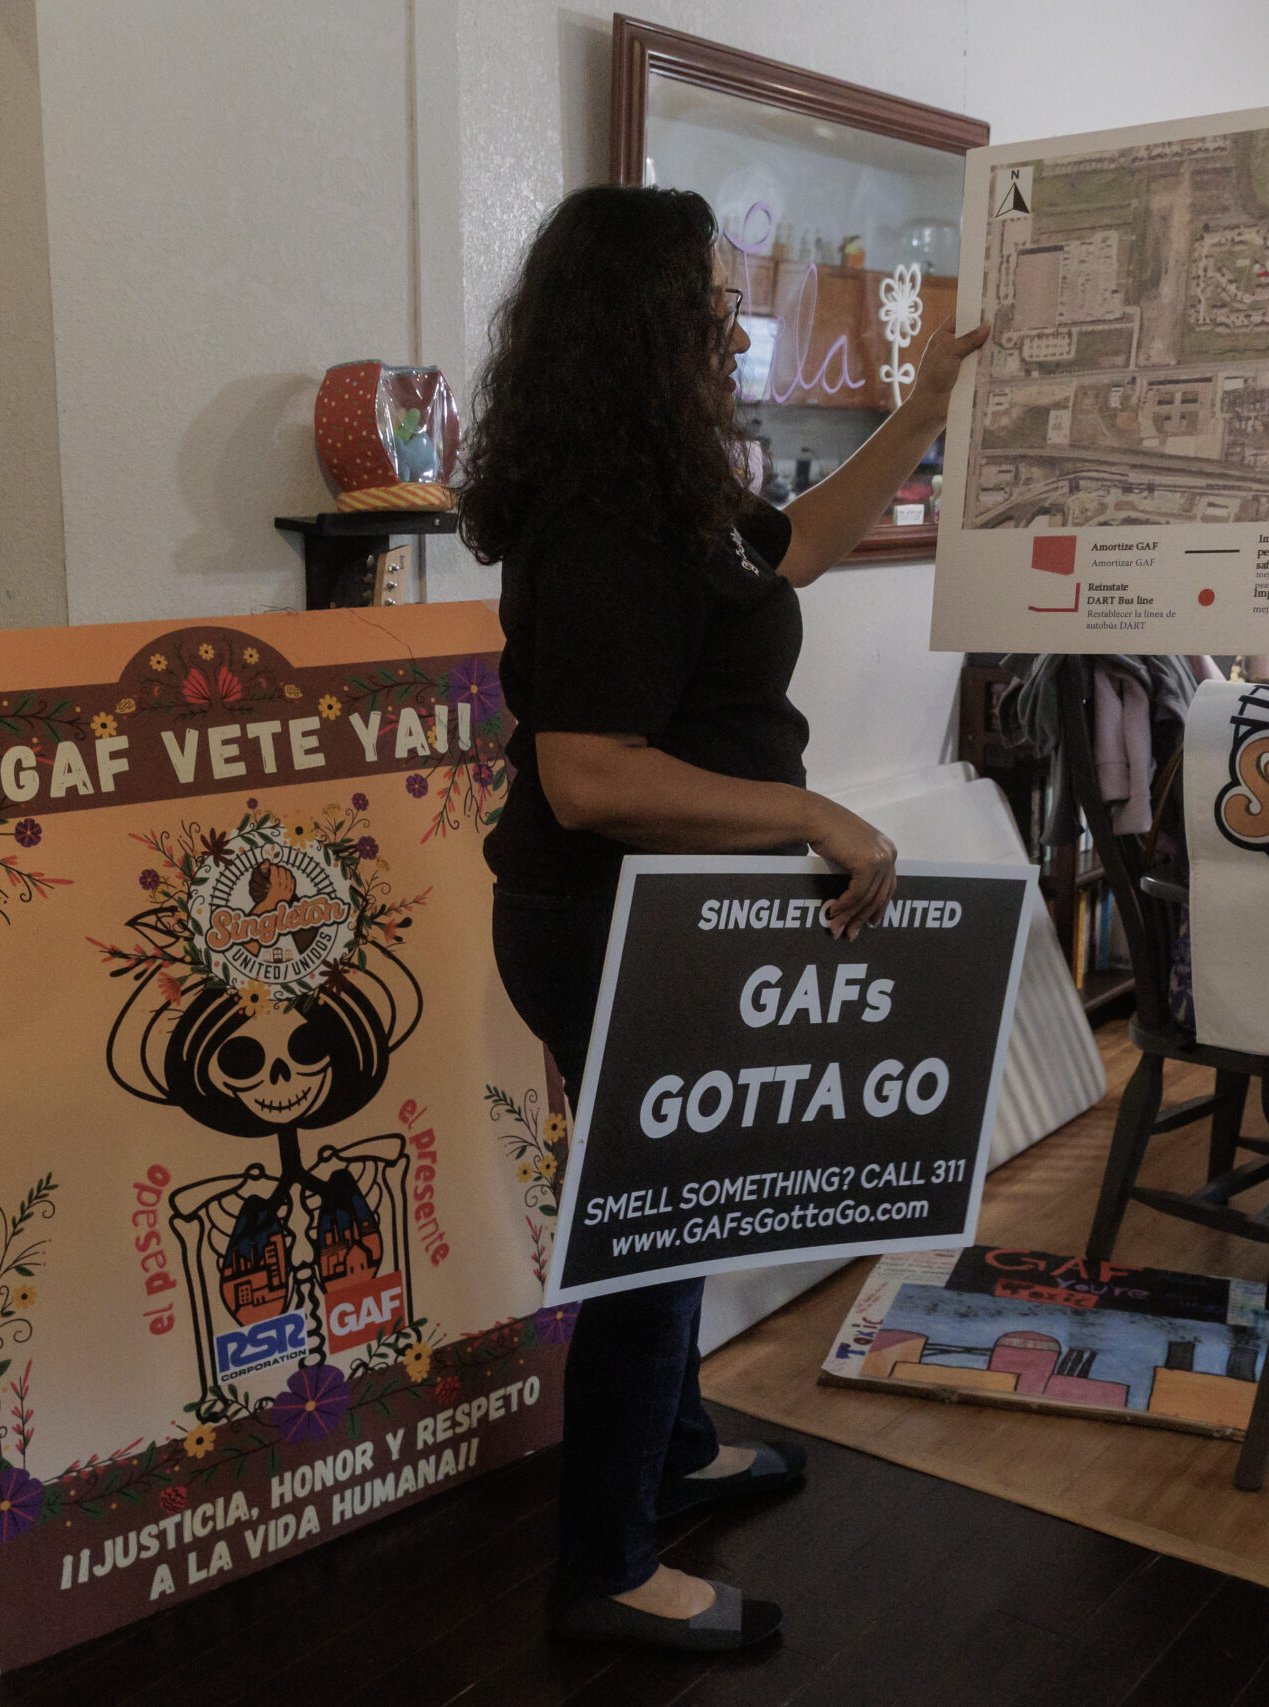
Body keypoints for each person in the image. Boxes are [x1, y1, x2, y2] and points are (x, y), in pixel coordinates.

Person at [456, 183, 987, 1652]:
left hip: (660, 914)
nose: (728, 322)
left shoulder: (666, 490)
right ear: (643, 325)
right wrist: (814, 814)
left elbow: (800, 544)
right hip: (602, 915)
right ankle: (607, 1568)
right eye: (705, 300)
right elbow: (592, 775)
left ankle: (674, 1455)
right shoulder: (601, 519)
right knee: (657, 1226)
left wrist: (927, 403)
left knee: (684, 1196)